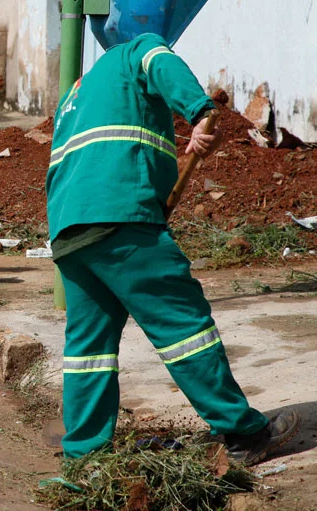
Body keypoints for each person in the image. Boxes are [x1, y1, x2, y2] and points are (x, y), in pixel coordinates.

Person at [46, 32, 301, 464]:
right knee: (185, 327)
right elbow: (162, 64)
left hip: (69, 228)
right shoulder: (138, 49)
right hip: (122, 213)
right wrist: (201, 112)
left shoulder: (77, 92)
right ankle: (243, 433)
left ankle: (84, 456)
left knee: (88, 350)